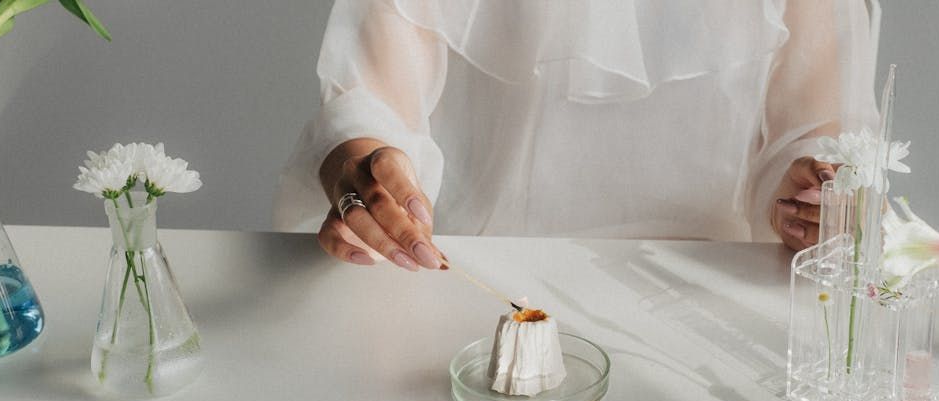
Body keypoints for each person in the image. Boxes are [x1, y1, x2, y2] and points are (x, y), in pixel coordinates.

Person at [273, 0, 880, 270]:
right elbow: (371, 109)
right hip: (478, 286)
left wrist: (812, 196)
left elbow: (813, 136)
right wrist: (367, 174)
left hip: (706, 287)